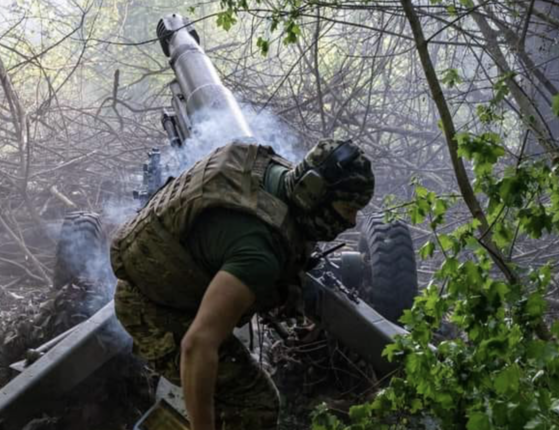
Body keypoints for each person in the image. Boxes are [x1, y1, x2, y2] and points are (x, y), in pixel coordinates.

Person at [111, 139, 375, 430]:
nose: (351, 222)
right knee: (256, 403)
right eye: (347, 207)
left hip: (170, 280)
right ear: (313, 193)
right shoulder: (258, 256)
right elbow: (197, 345)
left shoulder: (276, 175)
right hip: (153, 312)